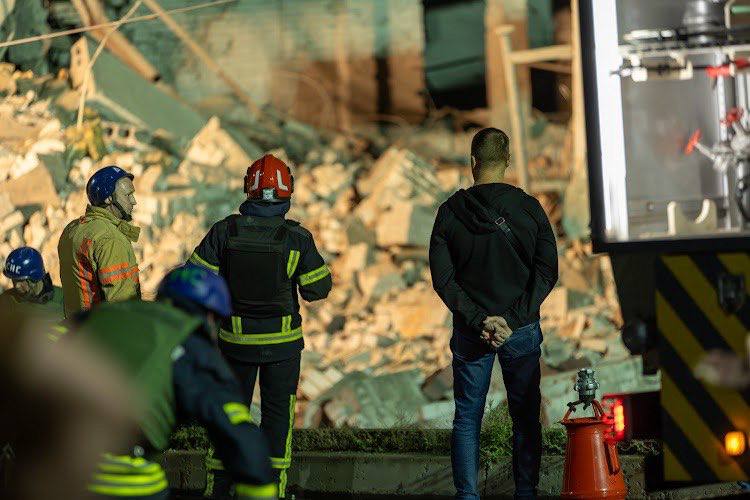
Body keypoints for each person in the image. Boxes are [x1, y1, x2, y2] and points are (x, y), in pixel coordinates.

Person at [188, 154, 332, 498]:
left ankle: (219, 490)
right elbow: (318, 289)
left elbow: (194, 280)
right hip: (282, 347)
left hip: (234, 343)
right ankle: (272, 492)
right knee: (277, 421)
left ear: (248, 189)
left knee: (228, 417)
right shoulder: (297, 238)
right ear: (287, 191)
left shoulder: (224, 231)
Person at [429, 128, 559, 499]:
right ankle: (525, 492)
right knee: (525, 415)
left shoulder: (450, 212)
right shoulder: (529, 208)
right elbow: (547, 272)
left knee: (468, 417)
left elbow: (443, 280)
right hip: (520, 330)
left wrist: (478, 319)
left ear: (473, 162)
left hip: (472, 333)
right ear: (507, 162)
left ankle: (468, 495)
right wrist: (512, 320)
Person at [75, 265, 277, 499]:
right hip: (113, 475)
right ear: (210, 316)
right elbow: (239, 435)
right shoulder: (190, 345)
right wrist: (260, 489)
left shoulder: (100, 316)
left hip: (50, 465)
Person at [58, 165, 141, 319]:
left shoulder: (72, 229)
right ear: (108, 198)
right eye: (128, 195)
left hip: (75, 326)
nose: (133, 201)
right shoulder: (111, 239)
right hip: (101, 329)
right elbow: (122, 307)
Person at [1, 246, 66, 341]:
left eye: (21, 281)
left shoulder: (65, 300)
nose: (17, 286)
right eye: (14, 280)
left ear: (35, 277)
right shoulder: (5, 302)